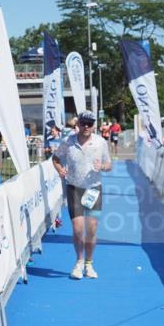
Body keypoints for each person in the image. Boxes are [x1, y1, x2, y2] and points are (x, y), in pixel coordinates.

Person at [52, 111, 113, 280]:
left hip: (93, 189)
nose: (86, 126)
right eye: (83, 123)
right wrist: (60, 170)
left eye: (90, 123)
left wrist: (102, 167)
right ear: (77, 124)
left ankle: (89, 263)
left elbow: (109, 165)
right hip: (74, 188)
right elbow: (56, 158)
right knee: (78, 229)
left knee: (91, 230)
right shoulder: (68, 141)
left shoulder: (100, 142)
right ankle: (78, 262)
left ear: (94, 125)